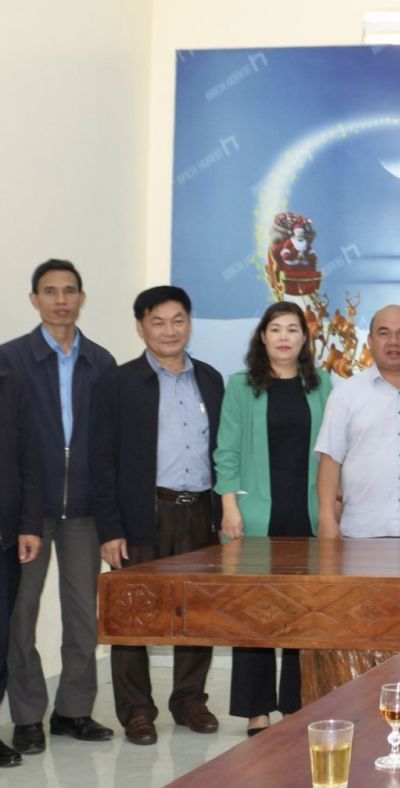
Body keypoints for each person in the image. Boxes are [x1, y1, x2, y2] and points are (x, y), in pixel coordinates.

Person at [93, 286, 224, 746]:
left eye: (178, 320)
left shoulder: (210, 379)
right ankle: (136, 711)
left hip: (200, 513)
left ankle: (189, 701)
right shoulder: (118, 382)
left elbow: (223, 452)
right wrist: (110, 528)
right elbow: (101, 459)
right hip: (143, 513)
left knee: (197, 612)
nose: (170, 331)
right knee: (133, 615)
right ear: (141, 327)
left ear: (189, 323)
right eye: (158, 322)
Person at [0, 259, 116, 757]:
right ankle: (27, 716)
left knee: (83, 617)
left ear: (81, 297)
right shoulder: (10, 359)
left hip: (84, 511)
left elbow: (110, 445)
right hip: (28, 512)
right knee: (19, 617)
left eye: (69, 290)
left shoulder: (102, 362)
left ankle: (73, 710)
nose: (61, 300)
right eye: (50, 291)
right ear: (34, 300)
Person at [213, 302, 333, 736]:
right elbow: (226, 450)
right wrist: (229, 506)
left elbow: (333, 452)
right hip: (255, 514)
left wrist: (333, 506)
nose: (284, 337)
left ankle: (298, 704)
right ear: (262, 337)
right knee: (256, 613)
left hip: (307, 514)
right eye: (276, 329)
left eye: (293, 329)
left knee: (305, 611)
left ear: (304, 339)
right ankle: (257, 709)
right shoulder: (240, 386)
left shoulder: (322, 385)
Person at [314, 305, 400, 540]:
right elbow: (330, 461)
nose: (393, 341)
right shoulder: (345, 394)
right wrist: (326, 519)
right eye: (384, 333)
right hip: (361, 531)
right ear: (370, 341)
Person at [0, 360, 39, 766]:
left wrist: (29, 524)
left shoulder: (10, 382)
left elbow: (28, 458)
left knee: (0, 641)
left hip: (5, 538)